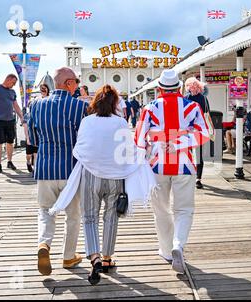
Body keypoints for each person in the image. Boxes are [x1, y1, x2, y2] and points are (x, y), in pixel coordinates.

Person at [48, 84, 156, 285]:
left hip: (91, 176)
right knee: (110, 217)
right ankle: (107, 258)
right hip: (115, 177)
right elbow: (128, 151)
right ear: (115, 103)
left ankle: (94, 257)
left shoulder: (87, 121)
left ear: (95, 102)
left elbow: (79, 148)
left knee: (89, 218)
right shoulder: (121, 123)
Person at [135, 70, 210, 274]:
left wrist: (142, 160)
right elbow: (205, 134)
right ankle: (178, 244)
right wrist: (179, 143)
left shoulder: (149, 108)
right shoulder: (192, 106)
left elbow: (139, 140)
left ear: (159, 89)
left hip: (157, 166)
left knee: (161, 210)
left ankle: (167, 251)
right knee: (184, 210)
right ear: (179, 88)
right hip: (185, 165)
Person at [27, 67, 88, 276]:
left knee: (45, 210)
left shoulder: (36, 105)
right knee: (73, 215)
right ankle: (68, 257)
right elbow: (84, 139)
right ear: (69, 83)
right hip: (70, 169)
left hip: (44, 167)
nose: (77, 86)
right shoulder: (79, 107)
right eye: (77, 83)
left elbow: (33, 139)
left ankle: (44, 245)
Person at [0, 74, 24, 174]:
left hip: (10, 120)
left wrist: (21, 117)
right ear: (8, 79)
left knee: (10, 142)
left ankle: (9, 161)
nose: (14, 85)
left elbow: (15, 105)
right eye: (13, 82)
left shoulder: (12, 92)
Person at [184, 77, 210, 189]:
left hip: (199, 130)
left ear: (199, 87)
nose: (192, 88)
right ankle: (190, 175)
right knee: (187, 154)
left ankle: (198, 179)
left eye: (194, 86)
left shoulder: (203, 99)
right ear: (187, 87)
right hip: (187, 130)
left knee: (198, 155)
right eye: (190, 86)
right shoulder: (185, 98)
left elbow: (207, 114)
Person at [23, 84, 50, 173]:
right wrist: (27, 138)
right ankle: (28, 162)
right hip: (30, 137)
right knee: (29, 154)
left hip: (37, 136)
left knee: (36, 153)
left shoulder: (40, 115)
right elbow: (26, 128)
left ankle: (36, 169)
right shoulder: (27, 116)